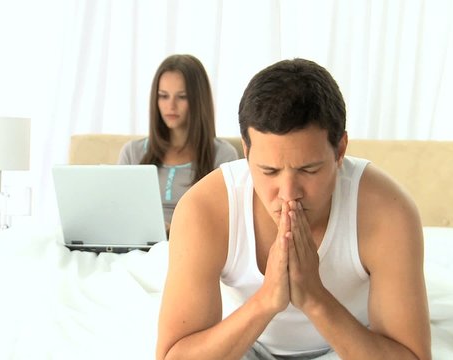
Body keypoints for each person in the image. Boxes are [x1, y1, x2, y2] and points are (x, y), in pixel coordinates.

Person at [156, 58, 431, 359]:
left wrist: (314, 298)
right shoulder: (204, 209)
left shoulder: (387, 211)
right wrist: (266, 302)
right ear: (246, 153)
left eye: (309, 170)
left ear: (340, 150)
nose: (288, 195)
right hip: (243, 344)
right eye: (269, 171)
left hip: (354, 347)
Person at [118, 54, 239, 233]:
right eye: (163, 96)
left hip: (191, 247)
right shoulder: (132, 152)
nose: (171, 106)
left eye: (182, 97)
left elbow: (224, 222)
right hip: (136, 247)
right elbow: (119, 212)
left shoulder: (223, 155)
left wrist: (172, 229)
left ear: (198, 100)